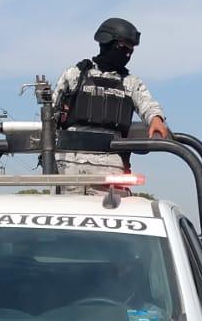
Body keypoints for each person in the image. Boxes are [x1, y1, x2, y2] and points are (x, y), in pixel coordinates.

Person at [52, 17, 170, 192]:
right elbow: (50, 112)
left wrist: (156, 119)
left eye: (131, 51)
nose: (127, 55)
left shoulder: (130, 82)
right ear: (106, 43)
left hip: (110, 162)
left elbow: (149, 105)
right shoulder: (75, 74)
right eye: (123, 48)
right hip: (70, 160)